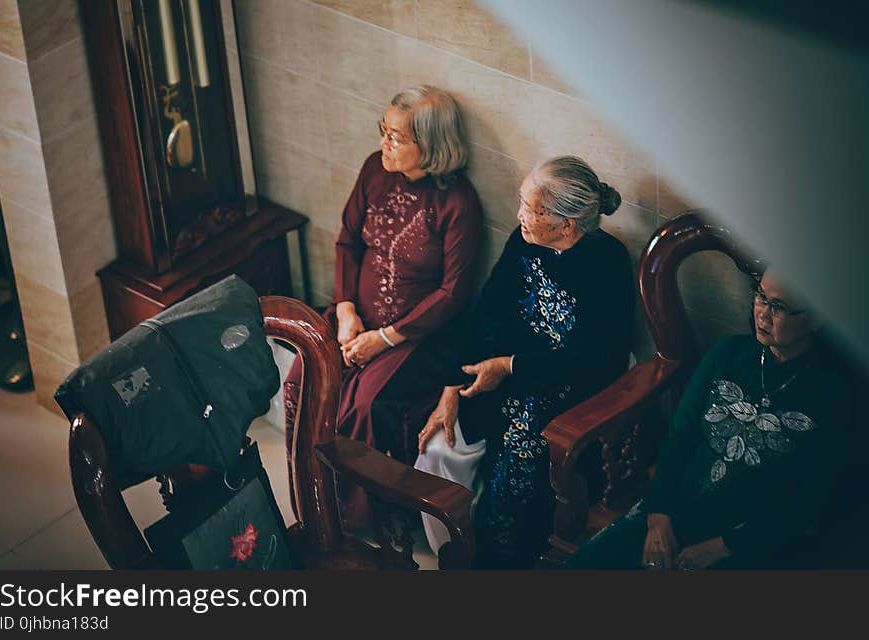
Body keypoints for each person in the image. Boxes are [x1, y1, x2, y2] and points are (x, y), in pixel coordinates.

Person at [414, 156, 635, 568]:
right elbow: (487, 312)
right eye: (522, 202)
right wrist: (450, 387)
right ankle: (456, 547)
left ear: (566, 225)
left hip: (570, 384)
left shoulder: (609, 264)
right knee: (441, 440)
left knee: (521, 455)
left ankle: (502, 561)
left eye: (530, 209)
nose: (519, 216)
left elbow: (595, 359)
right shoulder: (523, 240)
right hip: (504, 370)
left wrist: (509, 367)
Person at [564, 269, 858, 570]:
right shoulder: (727, 353)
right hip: (679, 503)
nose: (762, 314)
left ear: (816, 318)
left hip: (750, 533)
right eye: (761, 296)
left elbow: (808, 496)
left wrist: (724, 547)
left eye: (779, 307)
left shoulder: (834, 394)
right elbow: (679, 436)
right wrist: (659, 517)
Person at [283, 86, 483, 524]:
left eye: (396, 137)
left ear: (429, 147)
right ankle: (313, 494)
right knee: (303, 378)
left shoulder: (458, 202)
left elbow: (454, 293)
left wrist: (385, 339)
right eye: (383, 131)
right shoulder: (375, 170)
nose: (383, 144)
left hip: (420, 334)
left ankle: (356, 519)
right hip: (357, 317)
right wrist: (346, 311)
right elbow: (347, 242)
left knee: (363, 406)